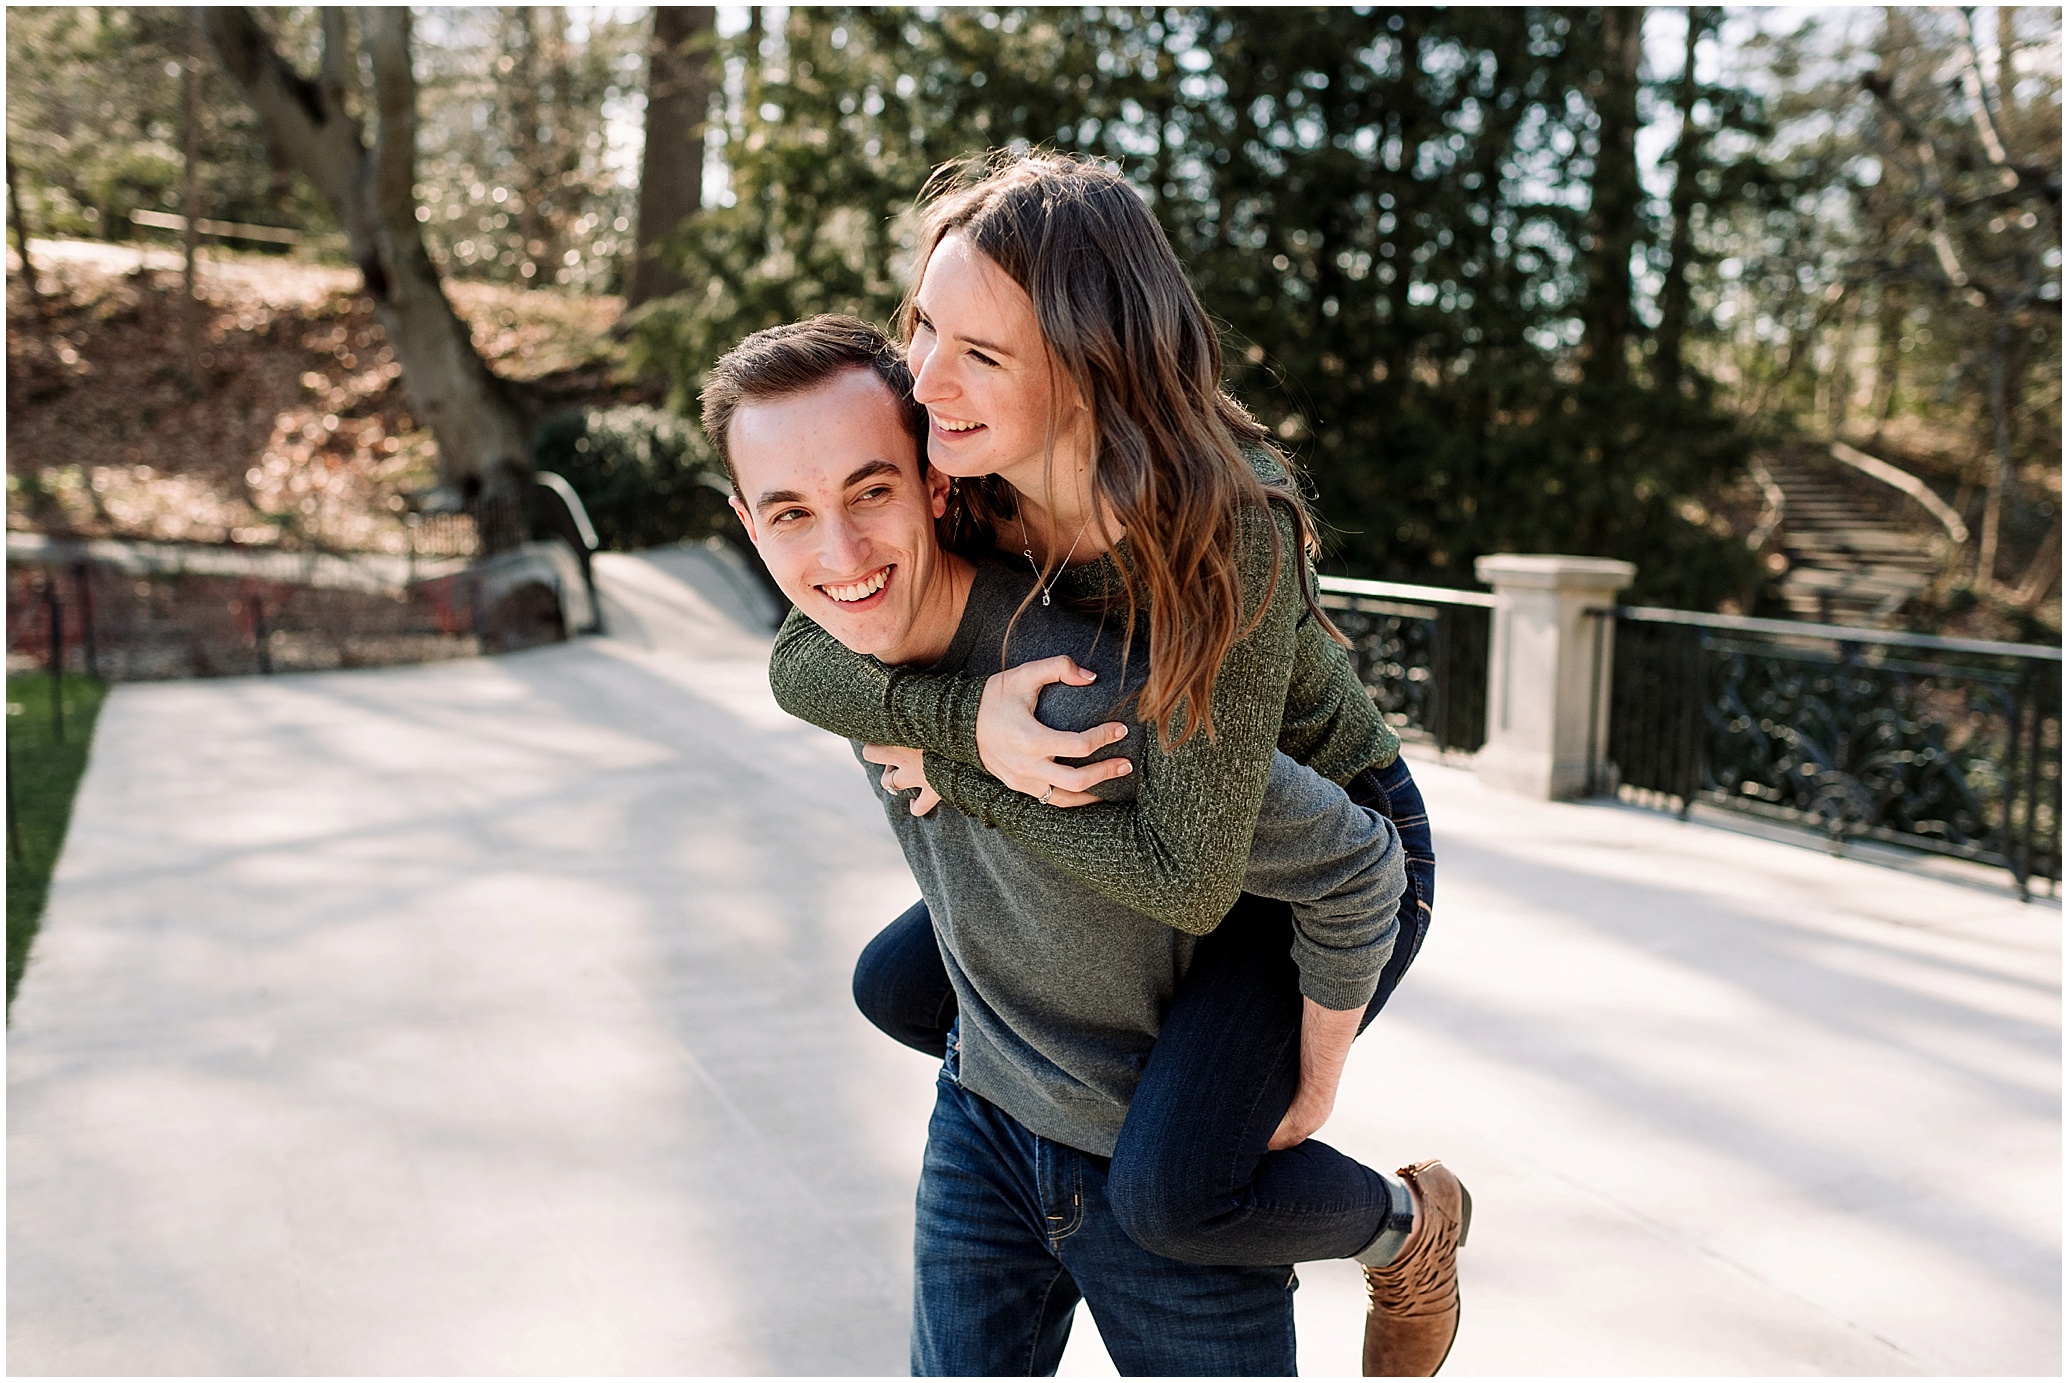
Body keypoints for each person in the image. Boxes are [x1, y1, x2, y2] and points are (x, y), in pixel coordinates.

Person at [759, 154, 1463, 1374]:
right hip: (1147, 797)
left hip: (1307, 857)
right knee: (897, 986)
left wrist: (1307, 1071)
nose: (925, 380)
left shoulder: (1218, 526)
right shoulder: (968, 474)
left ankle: (1404, 1228)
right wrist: (964, 714)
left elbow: (1192, 874)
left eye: (981, 354)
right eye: (925, 326)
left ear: (1089, 365)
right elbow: (799, 655)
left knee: (1178, 1186)